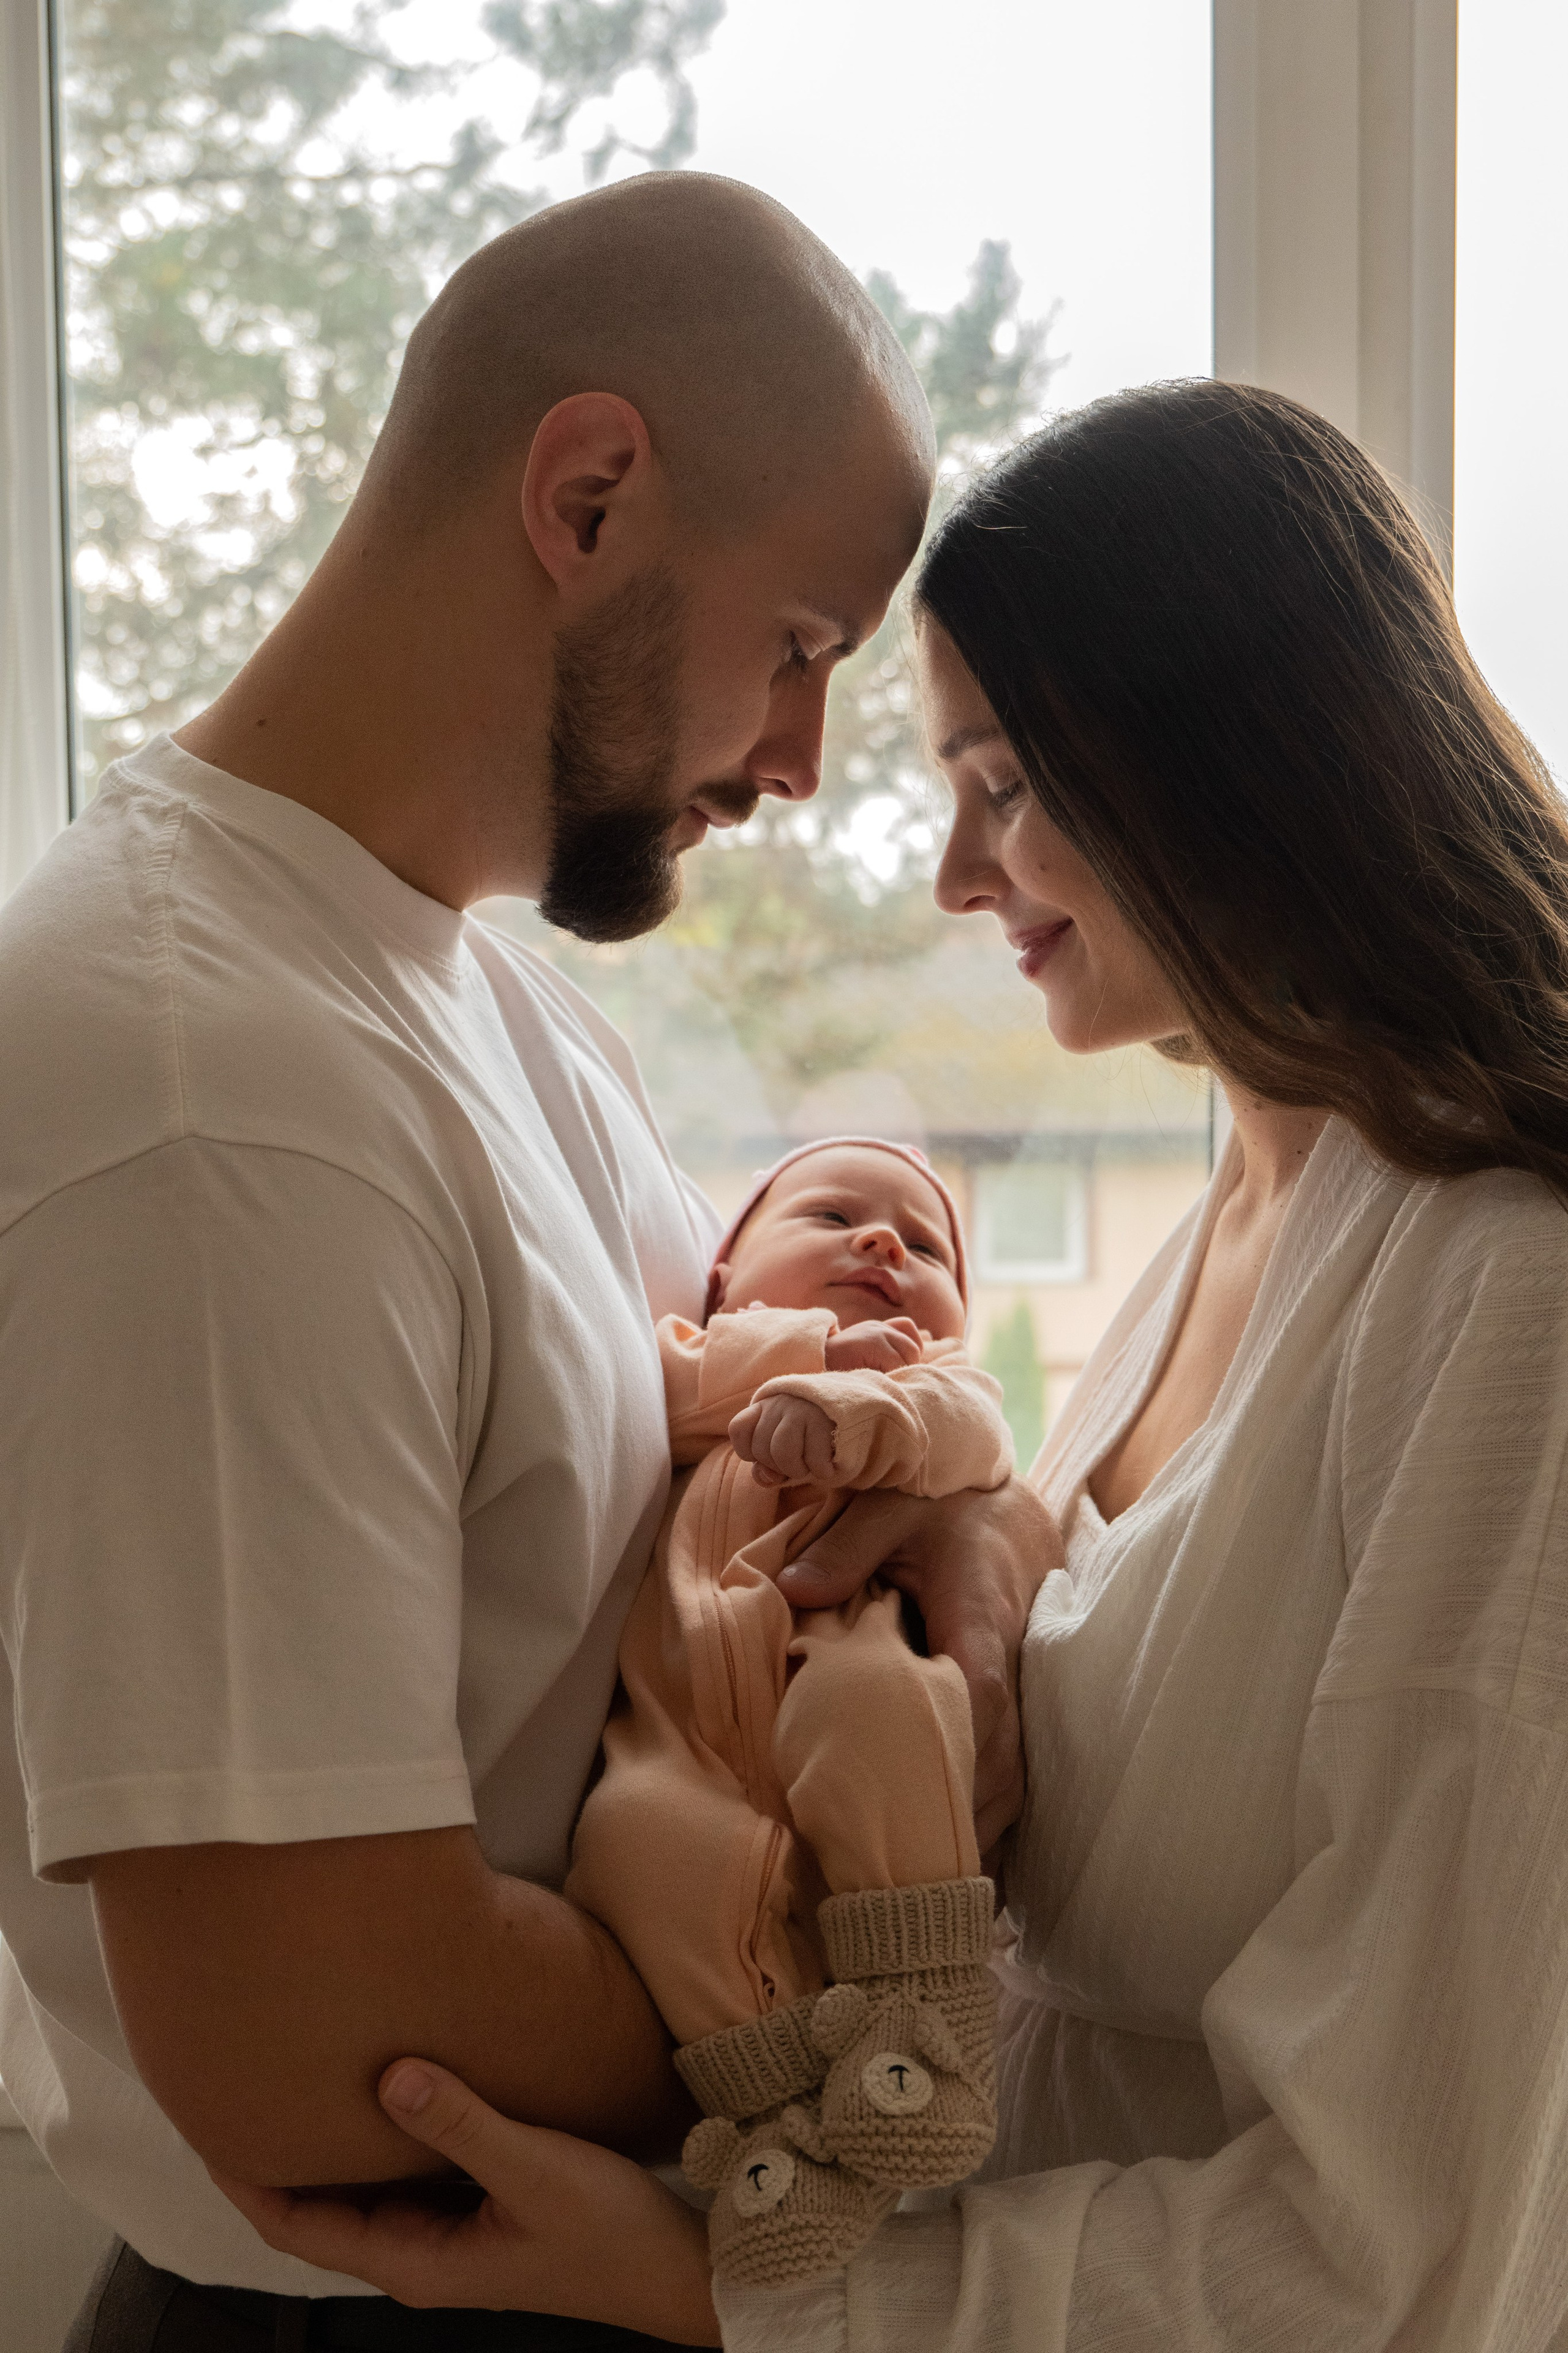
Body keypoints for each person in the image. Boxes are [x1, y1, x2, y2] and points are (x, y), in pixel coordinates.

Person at [230, 379, 1568, 2352]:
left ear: (1230, 757)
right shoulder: (1242, 1210)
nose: (953, 875)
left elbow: (1416, 2253)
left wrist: (727, 2288)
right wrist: (994, 1548)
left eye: (1006, 779)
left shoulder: (1506, 1294)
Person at [0, 173, 1051, 2353]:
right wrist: (875, 1950)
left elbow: (692, 1483)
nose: (799, 761)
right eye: (800, 648)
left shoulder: (468, 985)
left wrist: (969, 1516)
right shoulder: (218, 1088)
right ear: (586, 495)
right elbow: (330, 2042)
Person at [566, 1136, 1013, 2289]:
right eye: (831, 1216)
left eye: (925, 1246)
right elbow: (652, 1382)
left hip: (838, 1651)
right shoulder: (694, 1366)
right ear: (723, 1274)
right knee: (635, 1845)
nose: (881, 1244)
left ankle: (927, 2022)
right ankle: (778, 2123)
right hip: (678, 1731)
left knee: (888, 1712)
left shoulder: (932, 1377)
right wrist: (804, 1349)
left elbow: (976, 1437)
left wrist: (860, 1405)